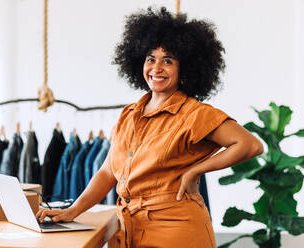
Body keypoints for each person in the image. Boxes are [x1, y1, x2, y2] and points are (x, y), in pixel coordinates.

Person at [36, 7, 263, 248]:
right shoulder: (129, 114)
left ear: (184, 70)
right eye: (150, 59)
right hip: (129, 229)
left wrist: (194, 171)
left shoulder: (193, 113)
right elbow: (107, 172)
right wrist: (73, 211)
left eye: (168, 60)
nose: (156, 68)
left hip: (177, 232)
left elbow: (249, 145)